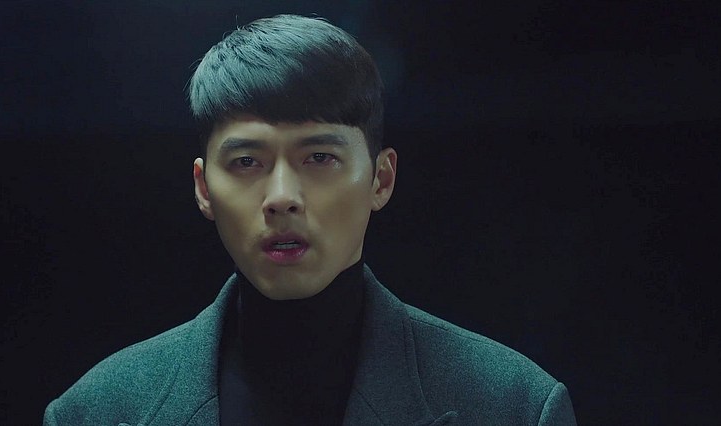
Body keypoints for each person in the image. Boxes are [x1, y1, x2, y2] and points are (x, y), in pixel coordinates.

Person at [44, 14, 577, 425]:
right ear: (204, 188)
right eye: (246, 162)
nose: (282, 198)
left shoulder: (514, 406)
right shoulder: (94, 410)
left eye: (319, 157)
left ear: (381, 179)